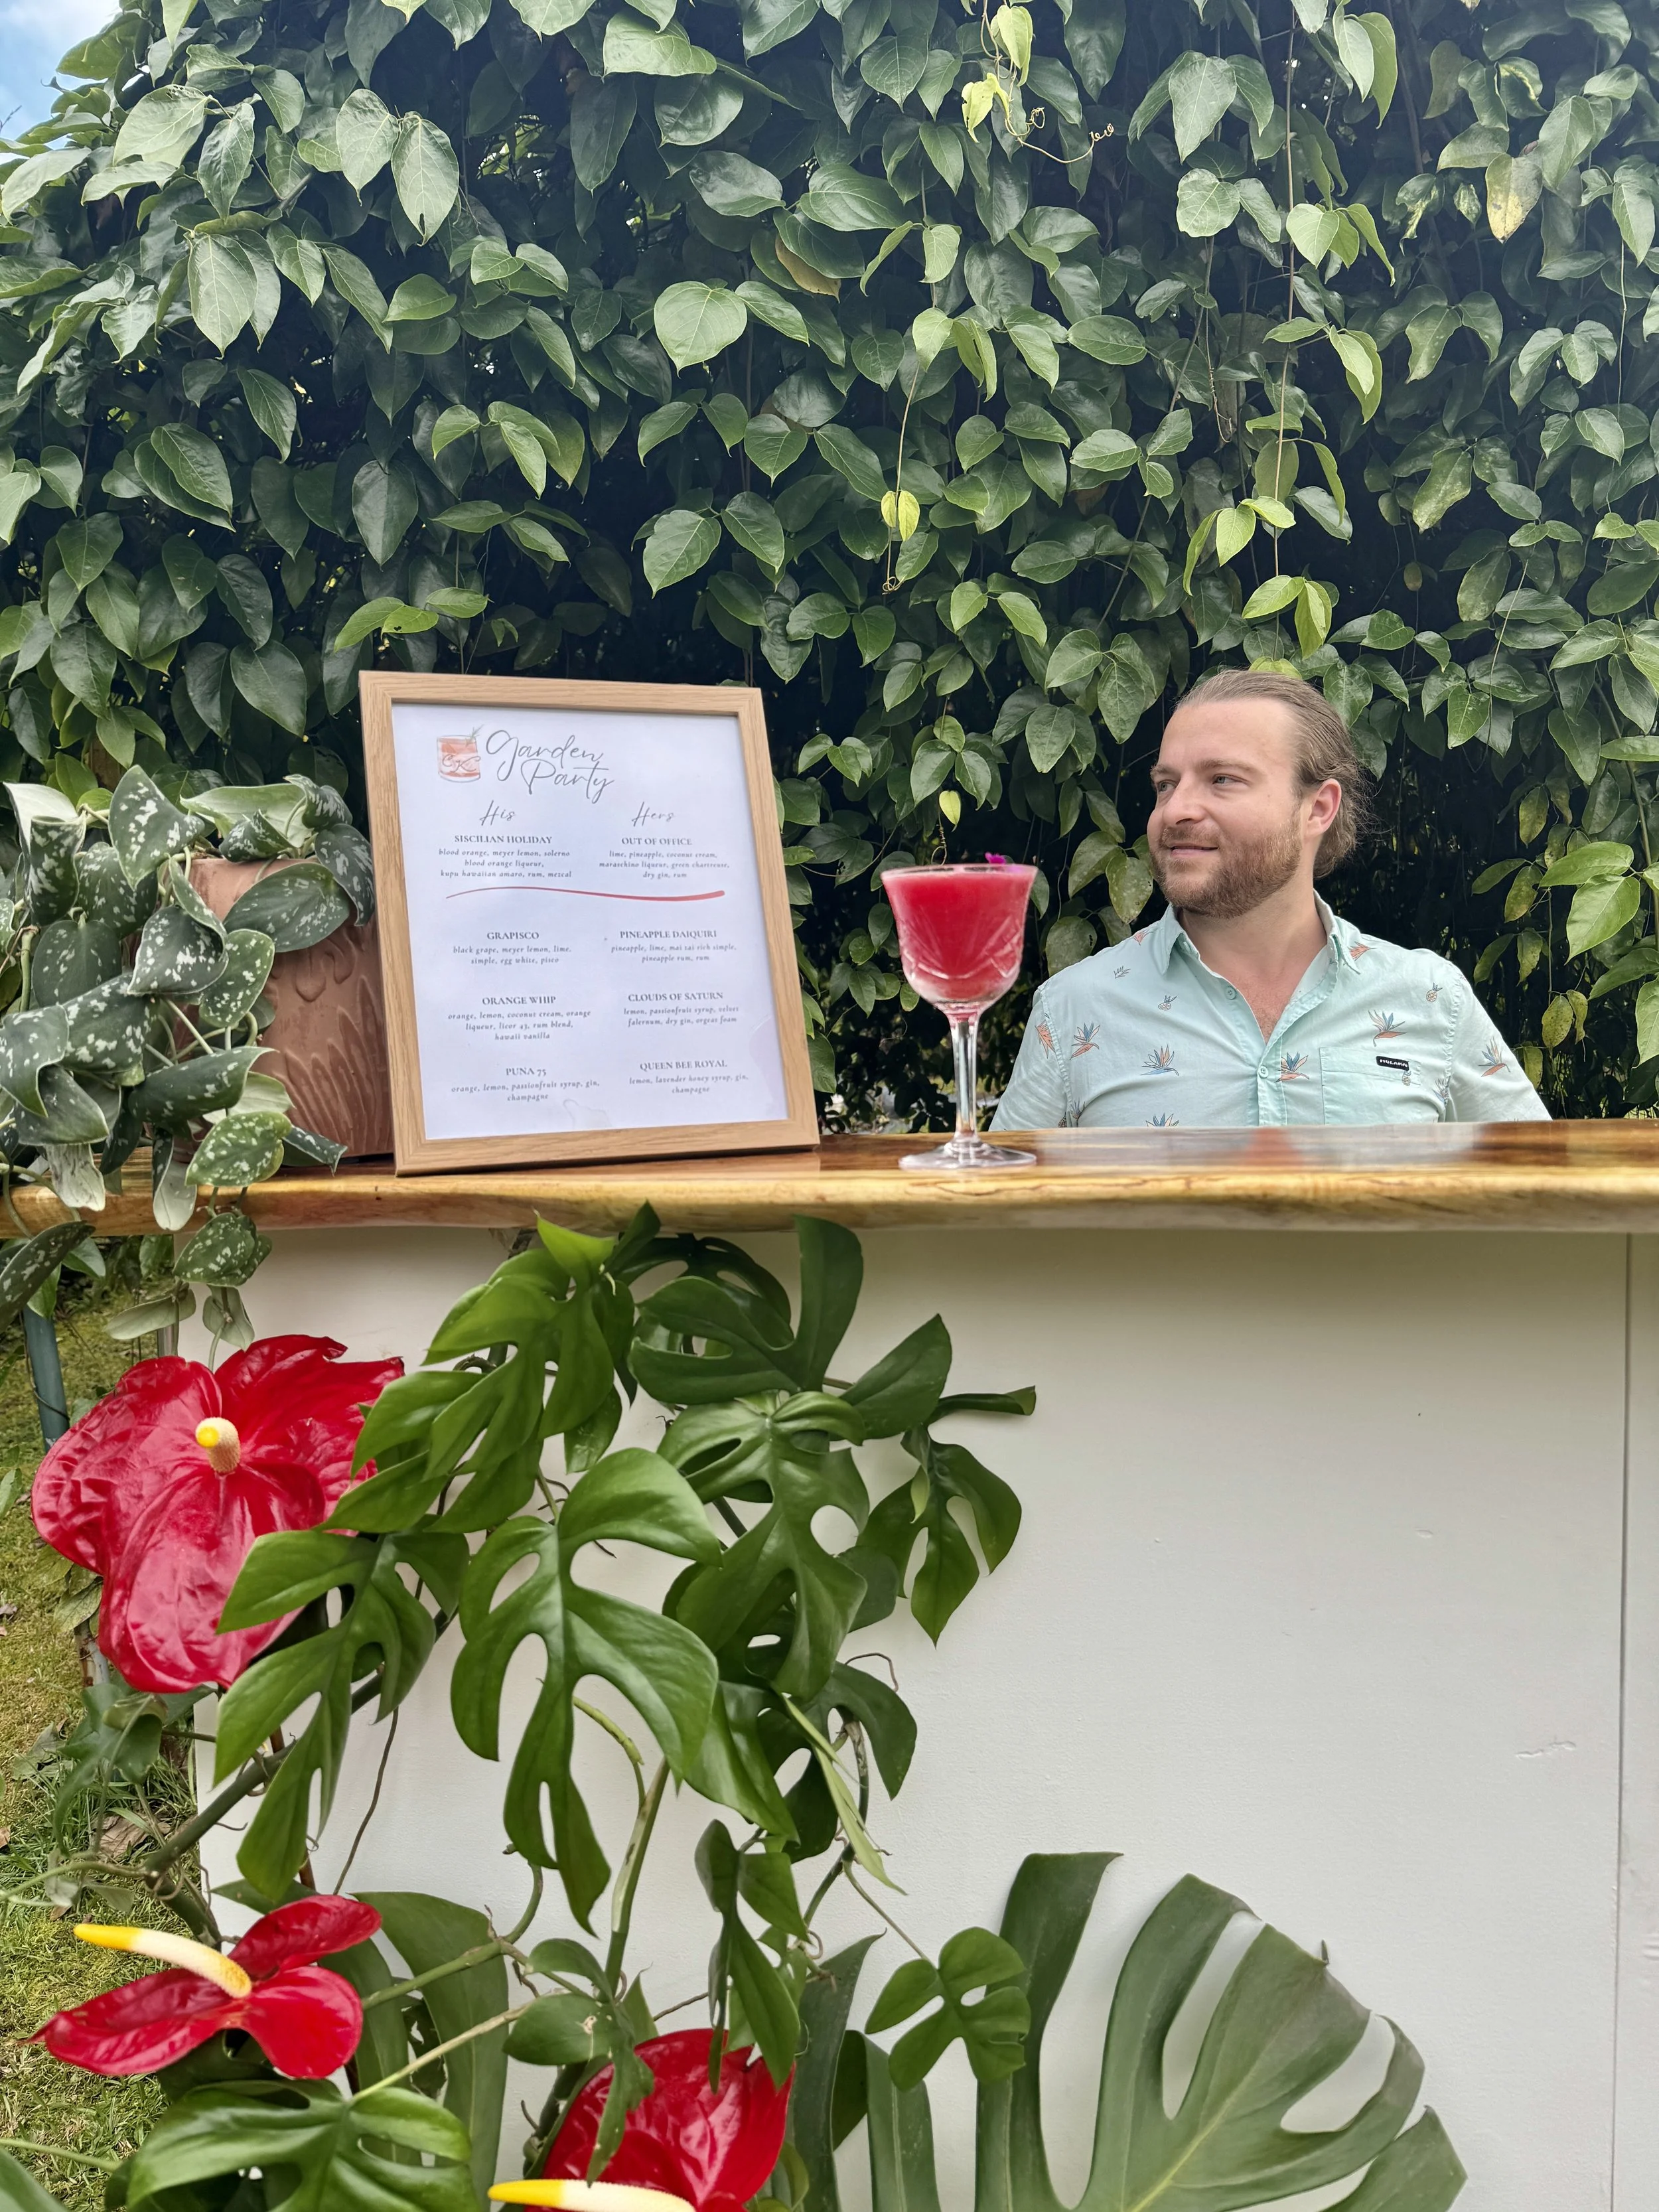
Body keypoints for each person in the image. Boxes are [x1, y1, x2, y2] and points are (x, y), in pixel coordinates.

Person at [990, 667, 1548, 1130]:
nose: (1176, 809)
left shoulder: (1431, 999)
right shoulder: (1072, 1010)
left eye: (1223, 779)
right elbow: (995, 1235)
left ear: (1318, 808)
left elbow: (1543, 1207)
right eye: (1166, 784)